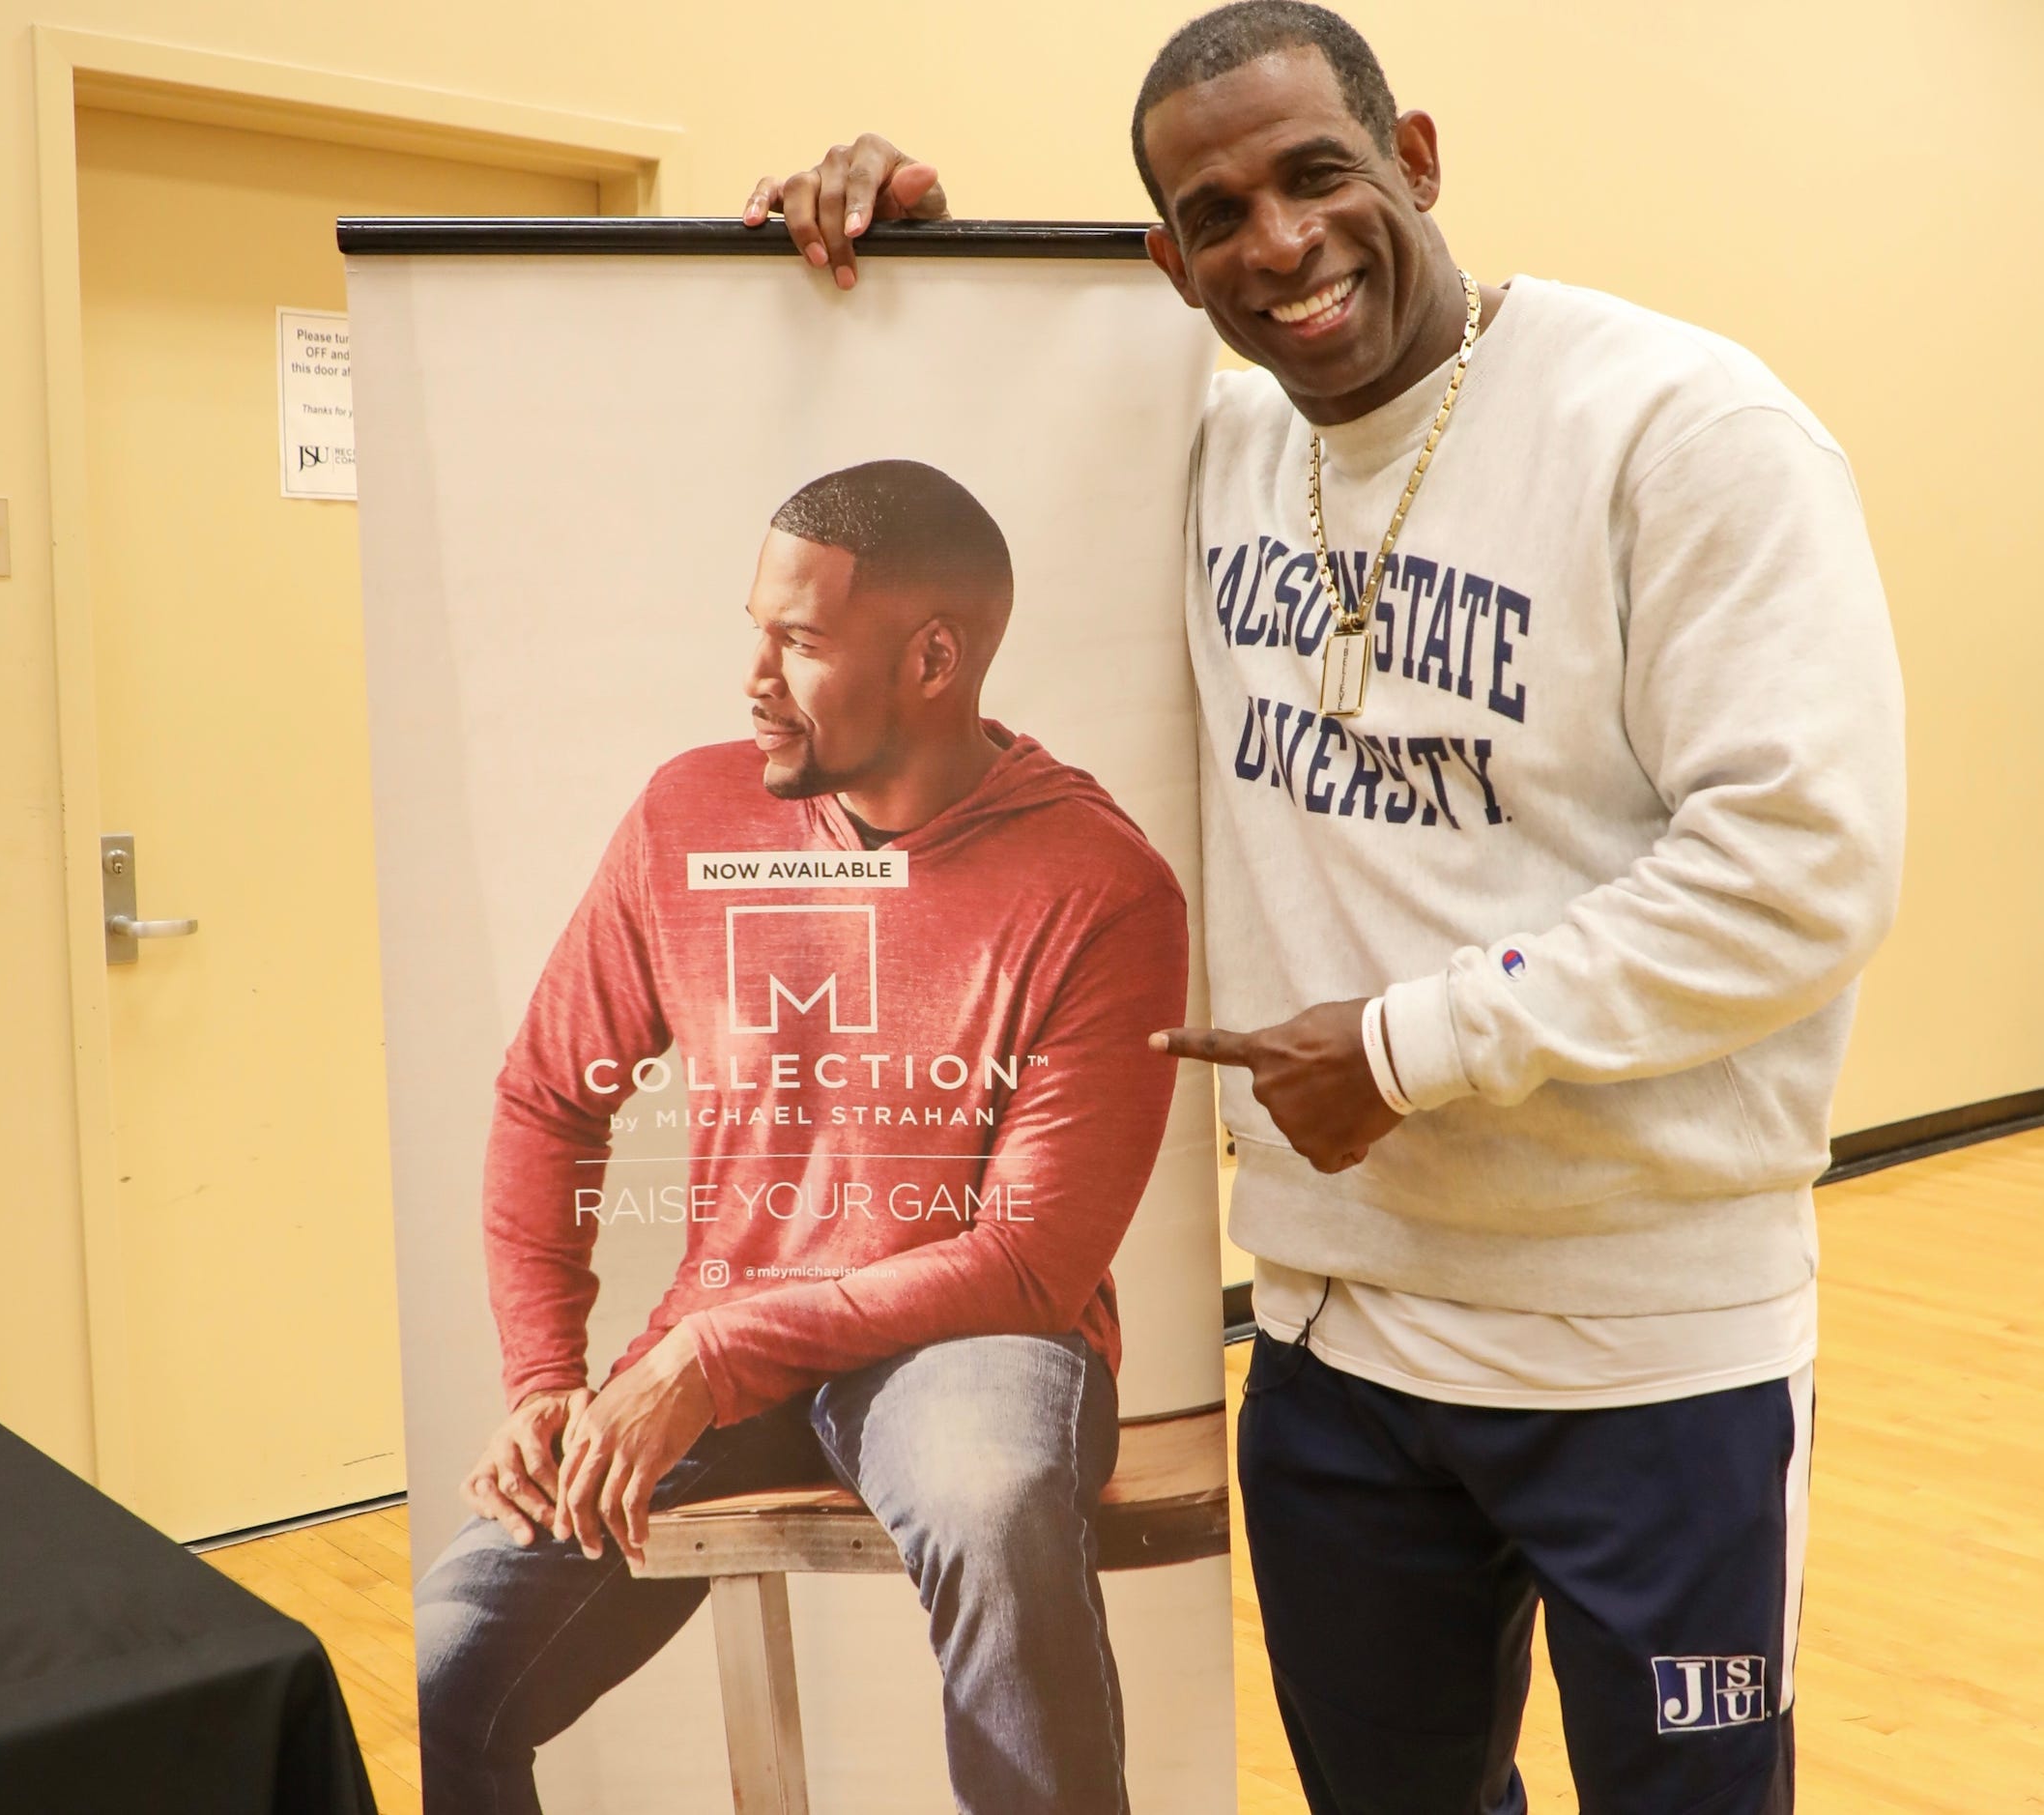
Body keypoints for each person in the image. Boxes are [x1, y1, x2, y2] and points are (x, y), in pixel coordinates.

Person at [751, 6, 1906, 1811]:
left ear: (1417, 160)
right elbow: (951, 485)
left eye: (1318, 176)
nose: (1279, 245)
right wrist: (911, 269)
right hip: (1336, 1342)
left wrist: (1410, 1045)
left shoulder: (1680, 430)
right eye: (1216, 216)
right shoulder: (1210, 460)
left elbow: (1802, 863)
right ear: (1170, 261)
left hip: (1654, 1354)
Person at [412, 458, 1189, 1815]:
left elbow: (1026, 1264)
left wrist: (711, 1353)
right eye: (753, 629)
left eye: (801, 641)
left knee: (994, 1507)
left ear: (934, 657)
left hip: (968, 1340)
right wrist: (546, 1373)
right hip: (730, 1335)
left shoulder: (1102, 885)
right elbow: (550, 1095)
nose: (753, 676)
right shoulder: (685, 815)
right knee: (447, 1660)